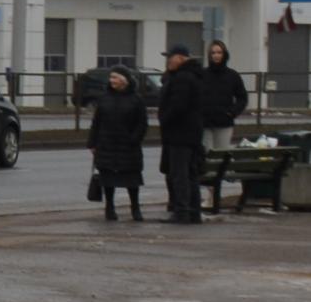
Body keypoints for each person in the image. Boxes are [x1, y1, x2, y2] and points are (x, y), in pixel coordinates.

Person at [87, 66, 148, 221]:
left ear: (124, 80)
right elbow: (97, 122)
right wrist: (92, 143)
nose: (112, 81)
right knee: (107, 178)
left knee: (131, 179)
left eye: (115, 77)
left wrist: (134, 139)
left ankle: (135, 207)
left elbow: (142, 124)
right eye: (111, 77)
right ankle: (109, 207)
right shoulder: (105, 98)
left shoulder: (136, 99)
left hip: (128, 147)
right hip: (106, 145)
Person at [158, 44, 204, 224]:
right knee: (190, 174)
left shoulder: (182, 78)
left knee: (179, 174)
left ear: (182, 58)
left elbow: (178, 106)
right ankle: (194, 211)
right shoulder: (195, 76)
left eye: (171, 57)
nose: (168, 60)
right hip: (192, 133)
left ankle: (182, 211)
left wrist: (165, 119)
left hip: (179, 133)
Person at [201, 40, 247, 150]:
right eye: (213, 53)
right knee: (206, 154)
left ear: (224, 54)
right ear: (209, 55)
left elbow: (242, 98)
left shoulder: (232, 76)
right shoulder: (202, 74)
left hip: (224, 123)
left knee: (221, 154)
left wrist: (232, 112)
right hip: (204, 123)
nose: (216, 55)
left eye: (219, 52)